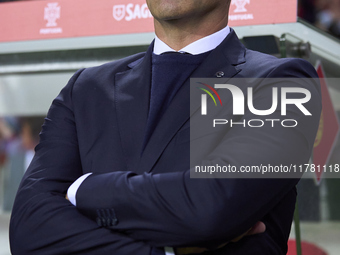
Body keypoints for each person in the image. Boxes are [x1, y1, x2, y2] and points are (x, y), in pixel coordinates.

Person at [9, 0, 321, 254]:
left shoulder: (284, 81)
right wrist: (170, 251)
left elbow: (210, 207)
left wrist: (81, 191)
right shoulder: (85, 89)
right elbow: (29, 226)